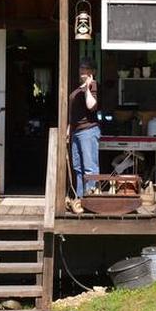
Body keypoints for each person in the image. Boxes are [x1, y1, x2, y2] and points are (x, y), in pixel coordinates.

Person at [69, 58, 101, 205]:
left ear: (92, 71)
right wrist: (69, 129)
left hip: (88, 130)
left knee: (89, 168)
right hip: (76, 131)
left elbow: (91, 106)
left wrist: (88, 88)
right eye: (81, 67)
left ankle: (91, 201)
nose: (83, 70)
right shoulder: (78, 87)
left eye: (87, 68)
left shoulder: (92, 85)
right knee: (77, 167)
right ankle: (80, 200)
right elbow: (73, 113)